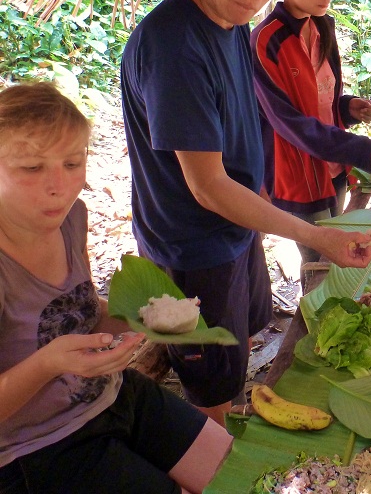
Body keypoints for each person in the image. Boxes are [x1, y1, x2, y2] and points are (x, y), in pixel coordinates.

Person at [120, 0, 371, 427]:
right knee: (210, 387)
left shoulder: (232, 22)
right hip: (195, 241)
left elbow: (239, 124)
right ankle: (214, 458)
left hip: (235, 225)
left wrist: (258, 197)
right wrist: (318, 236)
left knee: (243, 341)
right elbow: (208, 186)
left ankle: (235, 406)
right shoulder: (175, 46)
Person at [0, 83, 233, 494]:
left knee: (236, 472)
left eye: (73, 162)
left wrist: (139, 314)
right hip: (36, 446)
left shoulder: (71, 216)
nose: (58, 185)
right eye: (31, 168)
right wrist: (48, 364)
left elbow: (78, 307)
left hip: (112, 393)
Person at [251, 0, 371, 266]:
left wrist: (346, 107)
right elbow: (288, 122)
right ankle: (313, 317)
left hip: (334, 169)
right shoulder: (265, 42)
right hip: (298, 173)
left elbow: (320, 98)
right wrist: (355, 148)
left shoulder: (322, 27)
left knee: (340, 257)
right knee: (320, 263)